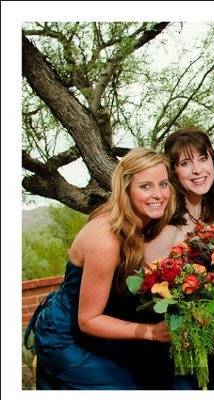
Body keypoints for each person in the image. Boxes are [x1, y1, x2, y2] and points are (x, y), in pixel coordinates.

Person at [24, 149, 177, 389]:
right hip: (67, 335)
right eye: (146, 186)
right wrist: (151, 332)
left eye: (163, 184)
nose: (158, 194)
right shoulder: (106, 239)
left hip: (102, 329)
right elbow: (88, 319)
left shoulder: (144, 223)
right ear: (125, 190)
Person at [143, 127, 214, 389]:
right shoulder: (165, 226)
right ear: (173, 173)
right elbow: (154, 291)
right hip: (181, 346)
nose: (197, 170)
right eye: (185, 163)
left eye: (203, 159)